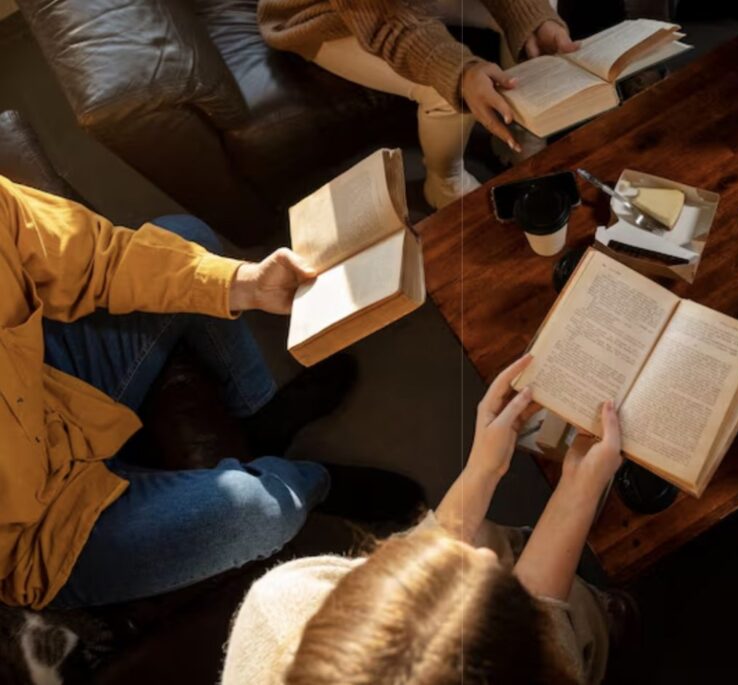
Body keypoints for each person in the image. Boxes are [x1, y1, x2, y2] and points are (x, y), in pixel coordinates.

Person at [0, 175, 403, 611]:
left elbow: (96, 259)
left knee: (190, 241)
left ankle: (259, 419)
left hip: (54, 391)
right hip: (36, 534)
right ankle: (318, 484)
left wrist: (245, 283)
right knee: (263, 512)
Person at [223, 356, 626, 684]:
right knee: (579, 617)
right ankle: (607, 617)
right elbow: (544, 634)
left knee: (481, 536)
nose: (484, 560)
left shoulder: (279, 604)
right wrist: (577, 492)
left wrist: (483, 470)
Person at [257, 0, 580, 209]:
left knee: (537, 12)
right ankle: (444, 182)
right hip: (333, 12)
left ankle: (525, 136)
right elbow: (386, 21)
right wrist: (460, 70)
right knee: (445, 91)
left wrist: (533, 18)